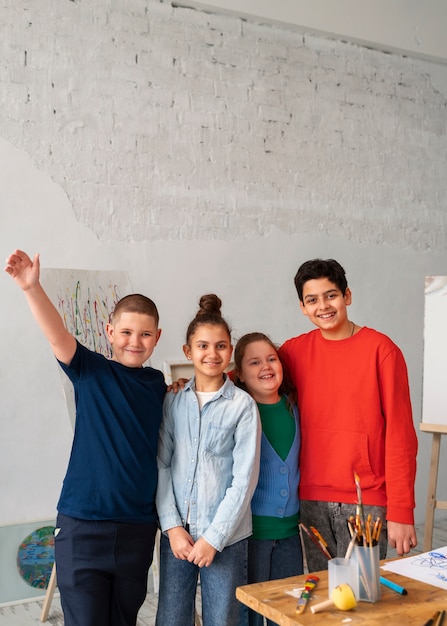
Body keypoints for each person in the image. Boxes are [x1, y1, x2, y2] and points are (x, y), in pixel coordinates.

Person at [4, 249, 166, 626]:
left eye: (144, 334)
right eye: (126, 332)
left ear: (157, 337)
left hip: (137, 529)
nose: (134, 342)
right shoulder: (91, 370)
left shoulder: (159, 384)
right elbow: (57, 334)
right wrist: (32, 288)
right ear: (110, 332)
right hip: (83, 526)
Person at [278, 258, 418, 573]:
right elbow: (248, 373)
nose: (323, 306)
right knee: (324, 599)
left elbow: (401, 436)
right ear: (302, 307)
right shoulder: (293, 352)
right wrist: (189, 385)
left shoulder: (382, 350)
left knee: (361, 601)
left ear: (347, 296)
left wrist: (402, 511)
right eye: (312, 300)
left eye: (331, 295)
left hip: (367, 502)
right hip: (310, 500)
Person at [155, 294, 261, 626]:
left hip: (225, 538)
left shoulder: (242, 406)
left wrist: (214, 538)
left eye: (220, 346)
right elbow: (161, 465)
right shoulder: (174, 402)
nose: (211, 354)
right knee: (171, 618)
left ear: (230, 352)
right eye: (202, 346)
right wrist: (172, 528)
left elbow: (244, 480)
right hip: (178, 536)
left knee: (223, 619)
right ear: (188, 352)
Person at [233, 332, 303, 626]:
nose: (266, 366)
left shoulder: (294, 406)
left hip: (289, 534)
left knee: (287, 610)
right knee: (250, 612)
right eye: (255, 362)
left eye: (271, 358)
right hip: (252, 535)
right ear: (239, 374)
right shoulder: (239, 410)